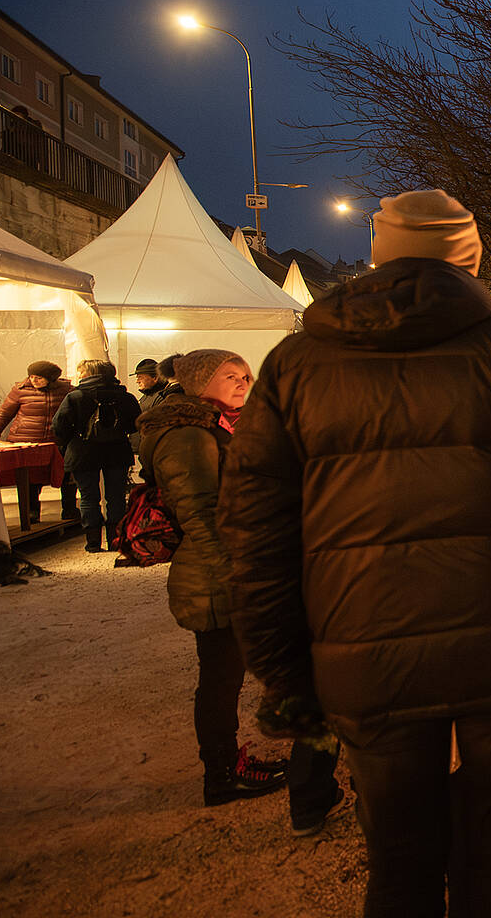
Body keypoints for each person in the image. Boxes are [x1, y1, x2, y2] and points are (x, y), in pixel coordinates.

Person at [220, 190, 491, 915]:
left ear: (379, 253)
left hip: (365, 642)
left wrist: (283, 672)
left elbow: (253, 530)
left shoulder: (296, 364)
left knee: (398, 857)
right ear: (469, 259)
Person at [139, 348, 340, 824]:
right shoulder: (188, 434)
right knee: (223, 679)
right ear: (199, 382)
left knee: (228, 677)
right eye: (230, 375)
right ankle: (223, 775)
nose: (243, 382)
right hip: (221, 574)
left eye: (246, 374)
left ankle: (234, 767)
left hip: (235, 568)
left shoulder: (219, 425)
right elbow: (205, 514)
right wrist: (246, 574)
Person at [49, 359, 141, 552]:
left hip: (82, 452)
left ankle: (93, 542)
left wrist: (70, 440)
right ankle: (115, 540)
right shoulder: (126, 397)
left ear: (89, 374)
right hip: (117, 451)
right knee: (115, 496)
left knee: (88, 497)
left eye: (81, 372)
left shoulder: (74, 397)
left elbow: (59, 427)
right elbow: (135, 424)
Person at [0, 361, 77, 525]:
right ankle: (31, 513)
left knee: (66, 475)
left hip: (57, 442)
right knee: (30, 479)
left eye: (39, 378)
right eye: (31, 377)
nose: (34, 380)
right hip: (26, 441)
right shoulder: (20, 390)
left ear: (51, 379)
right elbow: (4, 413)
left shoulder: (67, 391)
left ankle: (69, 510)